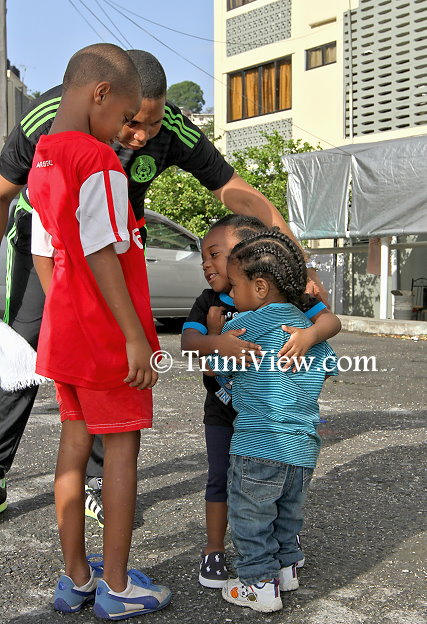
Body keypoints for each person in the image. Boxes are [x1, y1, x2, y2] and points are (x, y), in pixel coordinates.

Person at [0, 49, 328, 521]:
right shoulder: (52, 117)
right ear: (104, 98)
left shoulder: (172, 128)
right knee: (22, 353)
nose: (139, 136)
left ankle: (100, 479)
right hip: (46, 243)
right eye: (131, 122)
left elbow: (236, 191)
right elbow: (4, 192)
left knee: (118, 356)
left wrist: (297, 260)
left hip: (115, 245)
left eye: (151, 125)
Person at [27, 43, 171, 620]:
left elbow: (44, 251)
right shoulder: (99, 162)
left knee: (72, 446)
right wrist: (134, 336)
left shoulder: (43, 156)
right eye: (126, 116)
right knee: (121, 453)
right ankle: (117, 585)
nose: (126, 132)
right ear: (101, 94)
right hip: (107, 335)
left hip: (64, 331)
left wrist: (67, 308)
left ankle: (76, 578)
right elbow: (102, 250)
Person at [181, 215, 341, 589]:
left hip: (255, 436)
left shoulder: (262, 318)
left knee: (250, 512)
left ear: (258, 279)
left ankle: (258, 583)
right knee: (272, 506)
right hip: (283, 437)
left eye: (216, 254)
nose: (207, 264)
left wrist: (219, 339)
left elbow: (210, 368)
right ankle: (276, 568)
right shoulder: (294, 321)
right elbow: (326, 366)